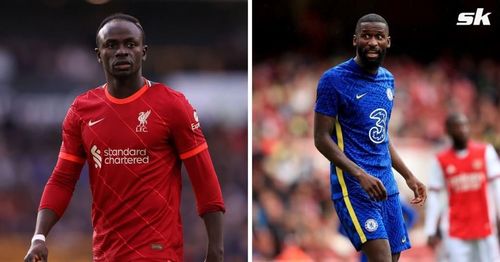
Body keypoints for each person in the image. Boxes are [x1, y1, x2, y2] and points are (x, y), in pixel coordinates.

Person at [24, 13, 225, 262]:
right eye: (111, 45)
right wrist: (39, 237)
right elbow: (62, 180)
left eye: (130, 44)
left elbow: (204, 178)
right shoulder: (81, 110)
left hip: (158, 253)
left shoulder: (172, 106)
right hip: (106, 255)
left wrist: (216, 249)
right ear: (99, 54)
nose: (121, 51)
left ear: (144, 51)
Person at [313, 13, 427, 262]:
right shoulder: (333, 80)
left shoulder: (388, 80)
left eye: (378, 36)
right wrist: (360, 175)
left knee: (393, 258)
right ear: (355, 40)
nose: (372, 42)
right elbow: (321, 138)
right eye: (366, 36)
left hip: (387, 186)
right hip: (354, 187)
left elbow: (381, 137)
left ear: (388, 41)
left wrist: (408, 176)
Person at [425, 112, 500, 262]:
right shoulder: (441, 160)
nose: (462, 130)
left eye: (464, 125)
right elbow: (434, 196)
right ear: (447, 131)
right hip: (454, 230)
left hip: (485, 227)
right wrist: (430, 229)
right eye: (456, 126)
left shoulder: (485, 152)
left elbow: (497, 188)